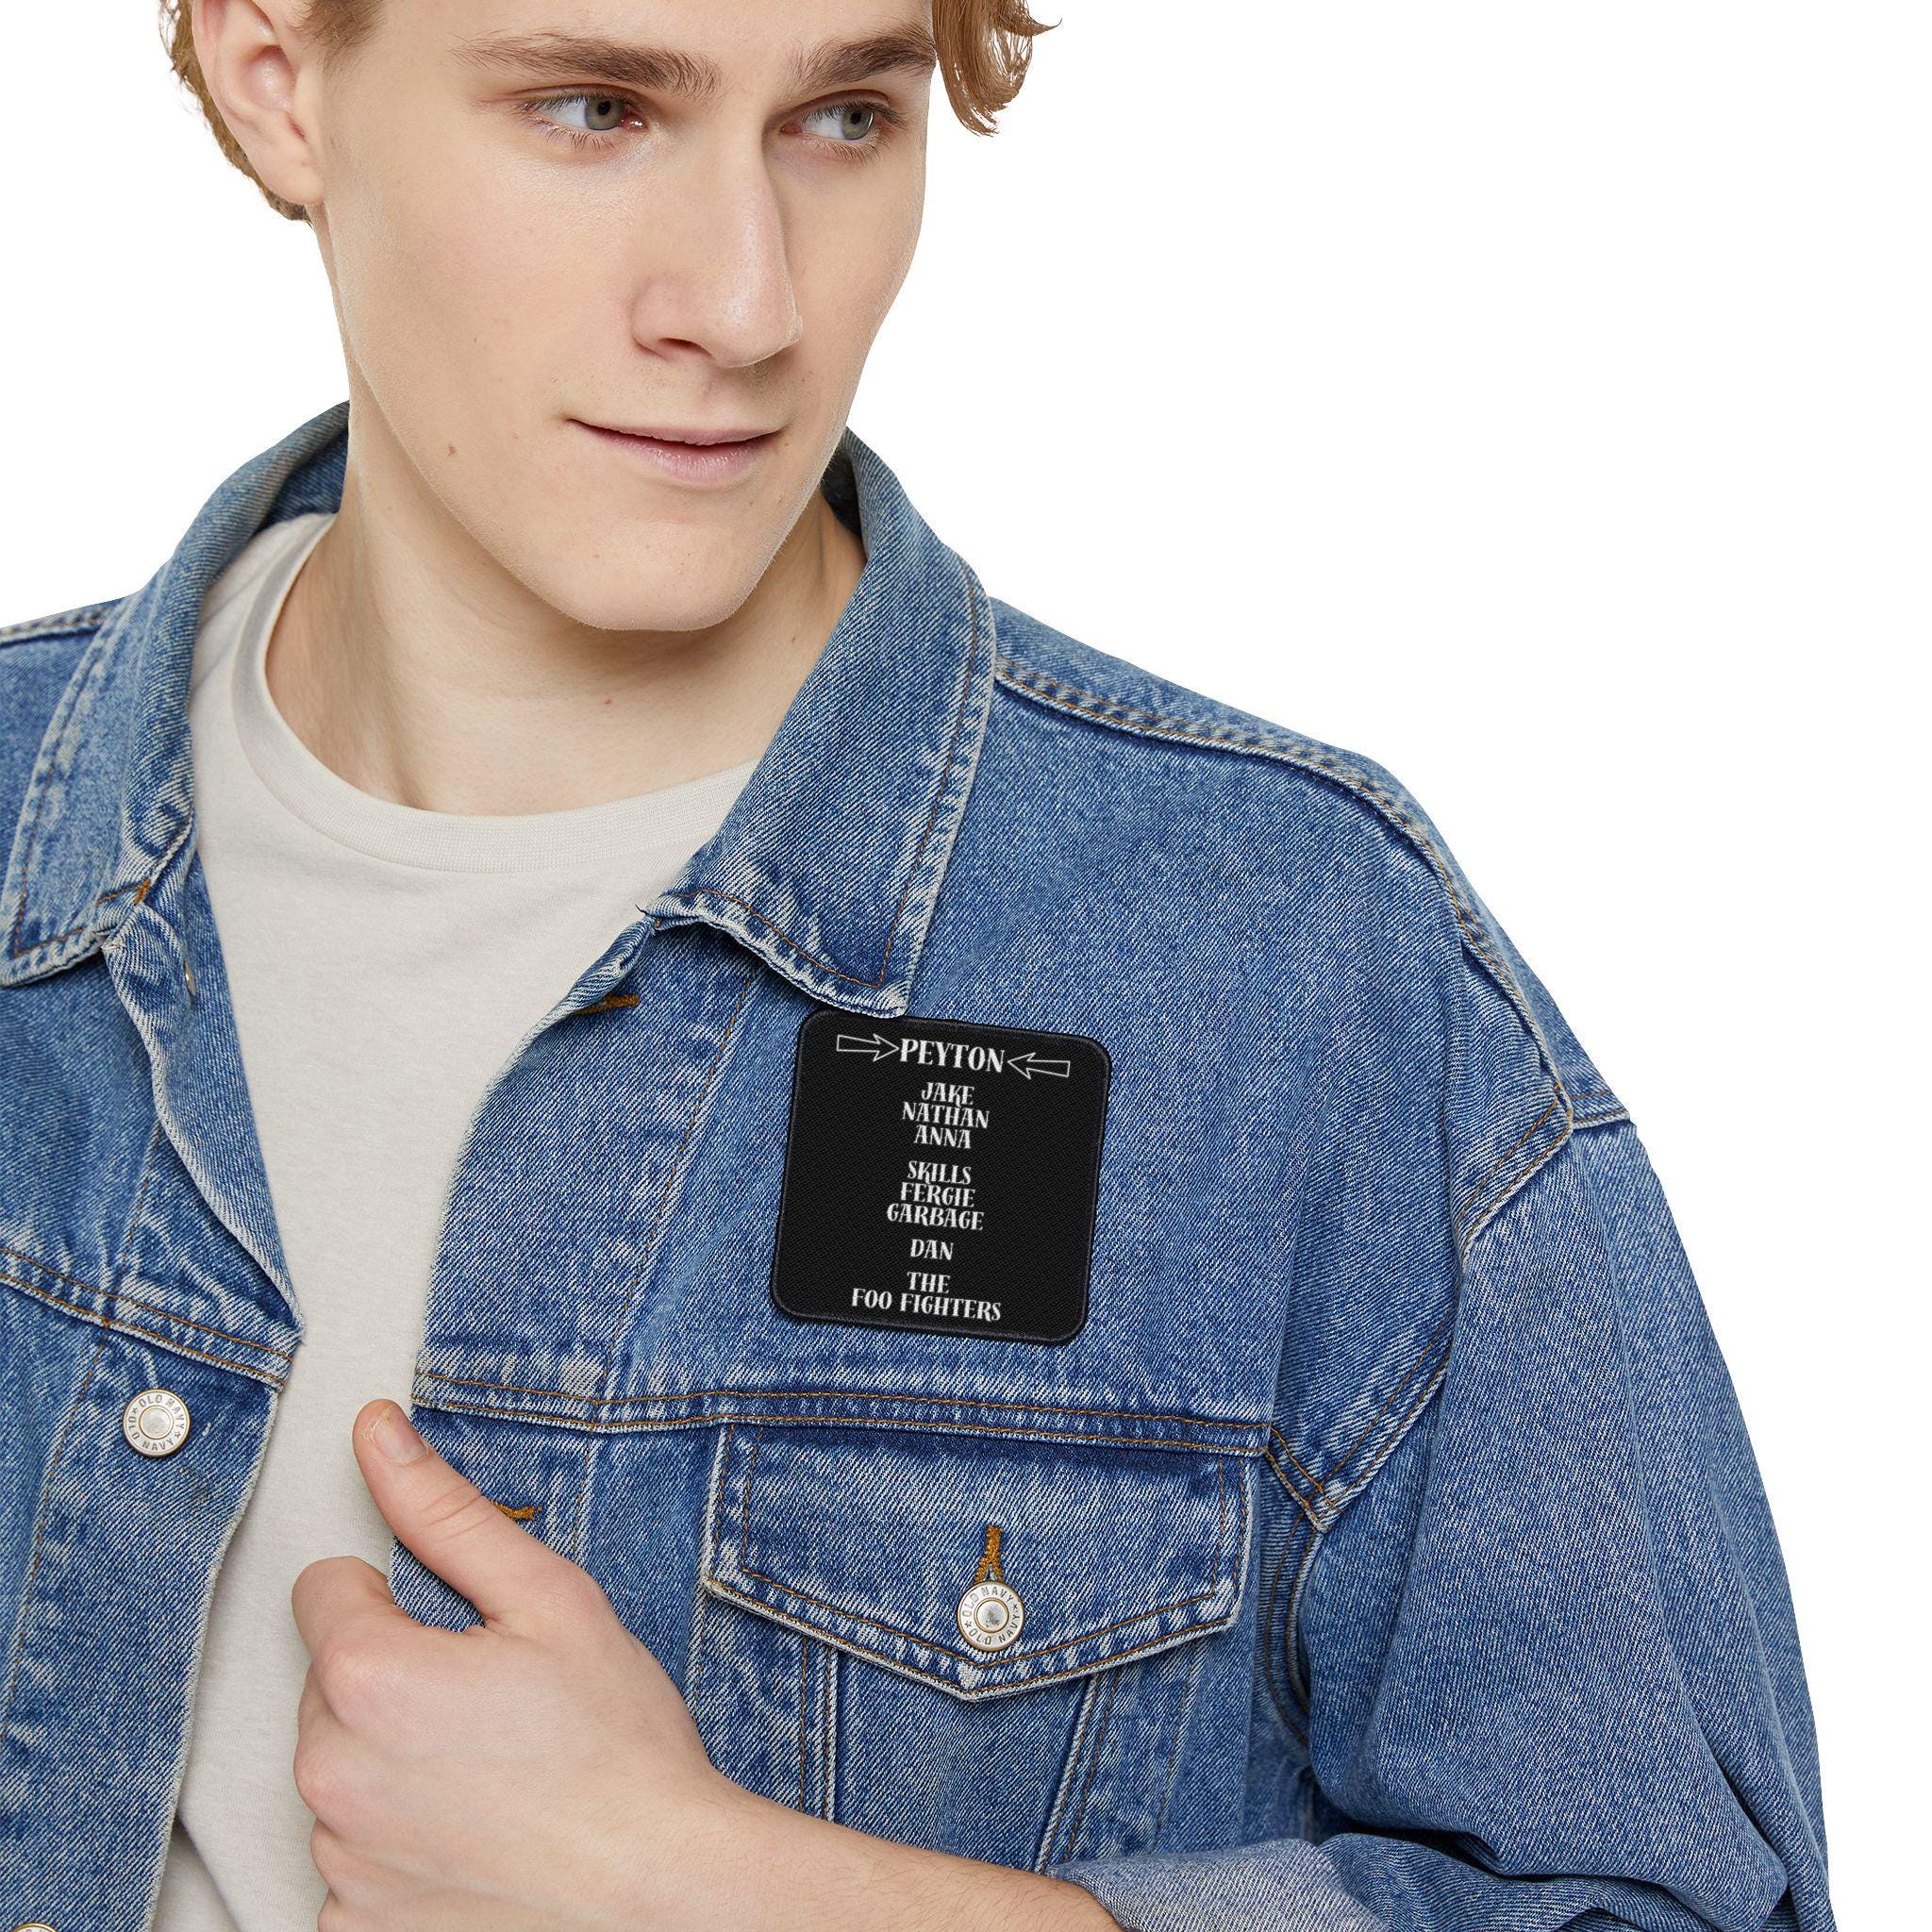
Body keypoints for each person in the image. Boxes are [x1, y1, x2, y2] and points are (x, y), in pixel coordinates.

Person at [0, 2, 1835, 1929]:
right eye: (595, 109)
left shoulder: (1286, 965)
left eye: (845, 118)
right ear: (275, 71)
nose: (747, 302)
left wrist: (724, 1894)